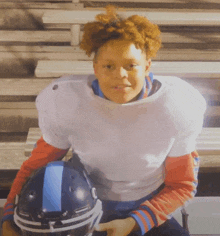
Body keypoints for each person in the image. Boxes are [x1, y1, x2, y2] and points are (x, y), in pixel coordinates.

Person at [1, 5, 206, 236]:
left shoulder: (174, 105)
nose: (120, 75)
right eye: (109, 66)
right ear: (95, 68)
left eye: (131, 65)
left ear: (147, 66)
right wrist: (9, 214)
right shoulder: (68, 102)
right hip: (82, 207)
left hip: (149, 202)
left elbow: (182, 185)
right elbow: (36, 166)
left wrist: (136, 222)